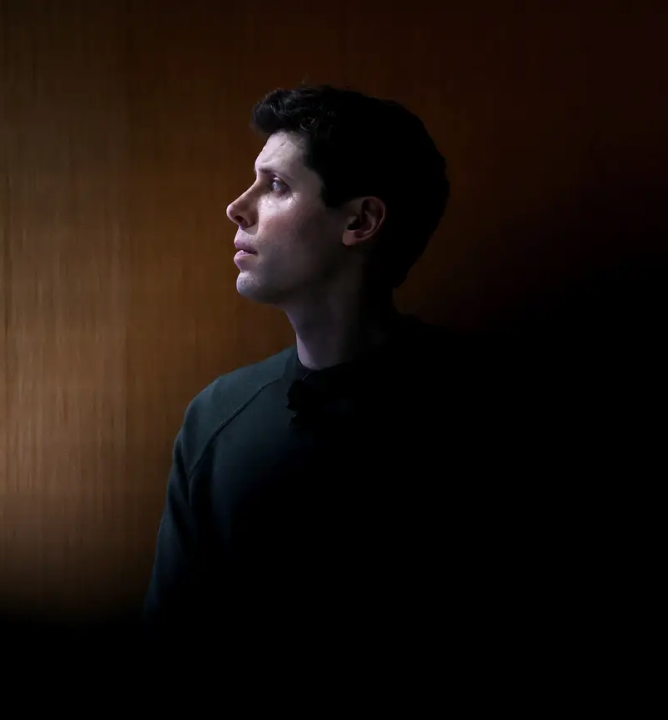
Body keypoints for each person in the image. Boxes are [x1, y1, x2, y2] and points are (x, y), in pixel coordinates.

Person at [142, 85, 493, 657]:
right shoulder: (215, 418)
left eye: (277, 185)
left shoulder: (490, 410)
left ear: (360, 220)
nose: (237, 207)